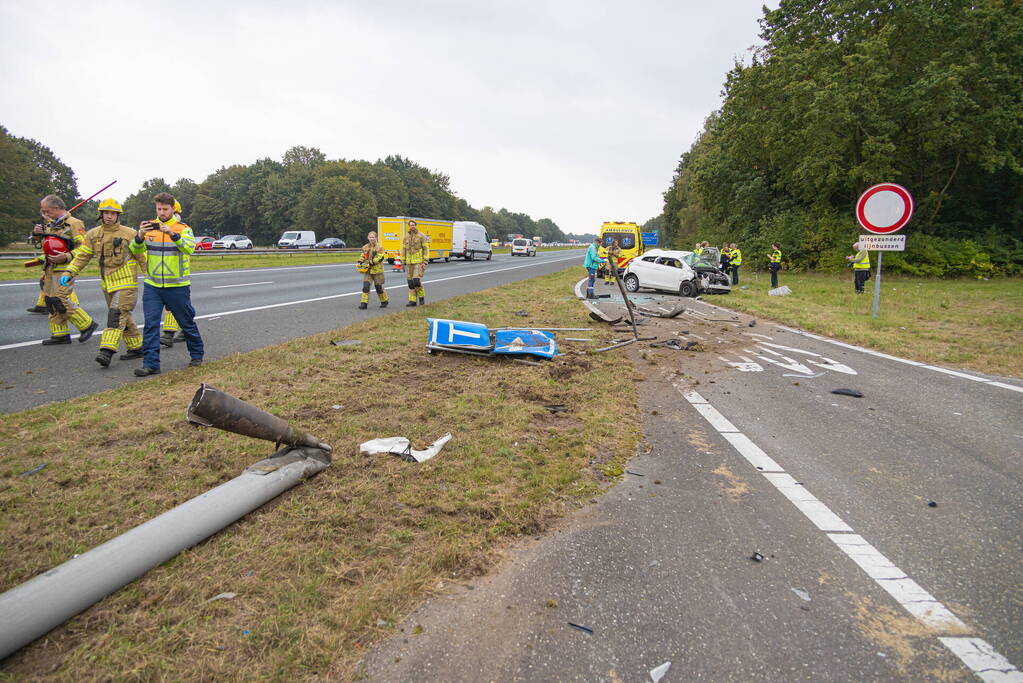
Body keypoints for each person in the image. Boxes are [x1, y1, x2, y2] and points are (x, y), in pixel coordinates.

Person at [61, 199, 146, 366]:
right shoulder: (92, 234)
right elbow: (83, 256)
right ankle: (136, 347)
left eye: (112, 213)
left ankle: (107, 351)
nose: (109, 216)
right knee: (122, 316)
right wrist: (69, 271)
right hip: (108, 284)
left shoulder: (130, 233)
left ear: (118, 215)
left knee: (115, 315)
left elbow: (142, 257)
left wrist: (151, 278)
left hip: (126, 282)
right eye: (106, 213)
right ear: (101, 214)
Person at [130, 192, 204, 376]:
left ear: (172, 209)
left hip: (177, 286)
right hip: (153, 285)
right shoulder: (149, 228)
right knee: (151, 324)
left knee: (186, 322)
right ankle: (151, 363)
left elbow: (189, 248)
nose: (161, 212)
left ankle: (197, 355)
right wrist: (139, 236)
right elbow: (134, 250)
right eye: (159, 209)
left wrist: (171, 233)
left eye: (165, 209)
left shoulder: (183, 228)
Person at [33, 195, 98, 345]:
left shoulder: (74, 224)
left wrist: (67, 256)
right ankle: (60, 334)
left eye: (46, 211)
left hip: (65, 268)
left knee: (61, 298)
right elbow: (46, 243)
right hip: (50, 267)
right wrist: (37, 234)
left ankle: (87, 324)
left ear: (56, 208)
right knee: (50, 300)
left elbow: (84, 248)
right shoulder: (50, 224)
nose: (44, 214)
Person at [159, 200, 185, 347]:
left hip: (176, 273)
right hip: (162, 272)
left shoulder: (179, 228)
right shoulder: (160, 228)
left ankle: (168, 334)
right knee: (181, 306)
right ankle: (186, 330)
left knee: (173, 305)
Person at [358, 231, 389, 309]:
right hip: (368, 271)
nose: (372, 239)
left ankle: (384, 301)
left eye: (373, 237)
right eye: (370, 237)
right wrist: (360, 261)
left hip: (377, 271)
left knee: (379, 288)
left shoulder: (380, 247)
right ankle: (364, 304)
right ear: (368, 238)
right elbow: (363, 255)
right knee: (366, 287)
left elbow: (380, 258)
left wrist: (371, 262)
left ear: (376, 238)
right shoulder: (365, 247)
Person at [401, 219, 428, 307]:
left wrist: (425, 261)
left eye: (413, 225)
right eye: (410, 225)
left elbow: (426, 249)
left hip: (418, 262)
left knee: (416, 281)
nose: (412, 226)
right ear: (409, 226)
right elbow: (403, 250)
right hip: (409, 263)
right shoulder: (406, 237)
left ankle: (421, 298)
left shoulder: (421, 236)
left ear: (416, 225)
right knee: (410, 283)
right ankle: (412, 301)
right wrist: (403, 261)